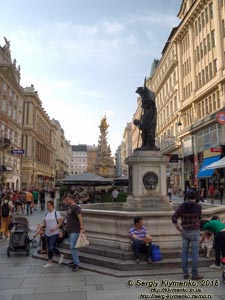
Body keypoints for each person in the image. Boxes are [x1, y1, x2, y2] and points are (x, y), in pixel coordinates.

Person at [172, 191, 203, 280]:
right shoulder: (198, 206)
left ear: (187, 197)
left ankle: (185, 273)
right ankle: (194, 274)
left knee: (184, 253)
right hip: (194, 231)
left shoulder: (182, 206)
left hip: (185, 231)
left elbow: (174, 218)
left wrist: (178, 227)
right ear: (196, 197)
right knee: (195, 253)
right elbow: (200, 218)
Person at [65, 194, 85, 272]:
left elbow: (80, 217)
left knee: (73, 247)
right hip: (70, 230)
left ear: (71, 199)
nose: (66, 201)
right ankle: (74, 261)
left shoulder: (76, 207)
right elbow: (69, 217)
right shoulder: (70, 207)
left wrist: (82, 228)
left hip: (74, 230)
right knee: (72, 247)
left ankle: (76, 264)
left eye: (67, 199)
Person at [41, 200, 64, 268]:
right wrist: (40, 226)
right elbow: (44, 223)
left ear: (52, 205)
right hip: (47, 233)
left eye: (48, 205)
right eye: (46, 205)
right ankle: (50, 262)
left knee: (51, 248)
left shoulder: (56, 213)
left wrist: (55, 228)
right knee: (49, 248)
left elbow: (60, 223)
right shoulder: (46, 213)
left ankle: (60, 255)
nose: (47, 207)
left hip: (54, 233)